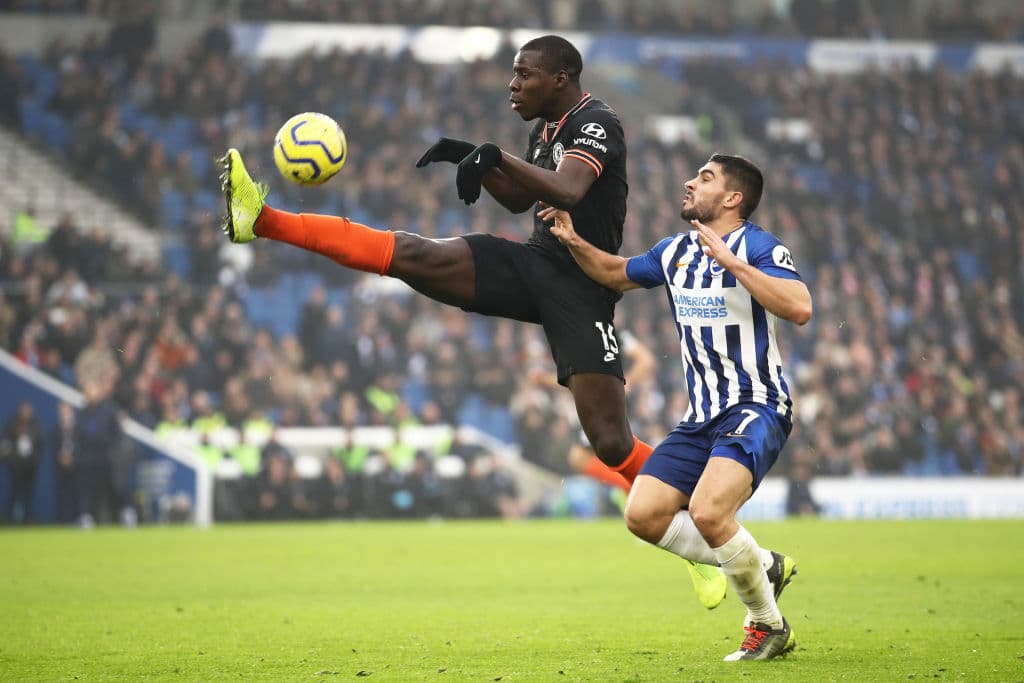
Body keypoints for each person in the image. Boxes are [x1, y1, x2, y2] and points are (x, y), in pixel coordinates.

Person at [219, 35, 724, 600]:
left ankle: (703, 534)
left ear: (561, 78)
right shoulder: (546, 129)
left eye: (524, 74)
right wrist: (474, 157)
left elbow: (569, 189)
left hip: (584, 287)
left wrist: (492, 154)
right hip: (536, 263)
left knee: (609, 442)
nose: (513, 84)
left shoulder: (597, 121)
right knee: (414, 254)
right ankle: (262, 221)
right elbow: (517, 200)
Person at [541, 153, 812, 661]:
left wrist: (733, 265)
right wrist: (572, 239)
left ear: (733, 198)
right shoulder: (675, 251)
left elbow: (800, 307)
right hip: (700, 416)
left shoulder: (758, 246)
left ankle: (766, 624)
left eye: (705, 178)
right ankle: (763, 564)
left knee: (709, 513)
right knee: (642, 514)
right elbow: (615, 273)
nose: (689, 181)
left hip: (755, 405)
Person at [0, 400, 45, 524]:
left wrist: (34, 459)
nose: (26, 413)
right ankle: (9, 520)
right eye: (24, 410)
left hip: (30, 467)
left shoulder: (35, 425)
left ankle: (27, 519)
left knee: (28, 495)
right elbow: (5, 444)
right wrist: (11, 458)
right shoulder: (12, 424)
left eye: (28, 410)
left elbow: (40, 444)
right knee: (13, 493)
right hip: (15, 467)